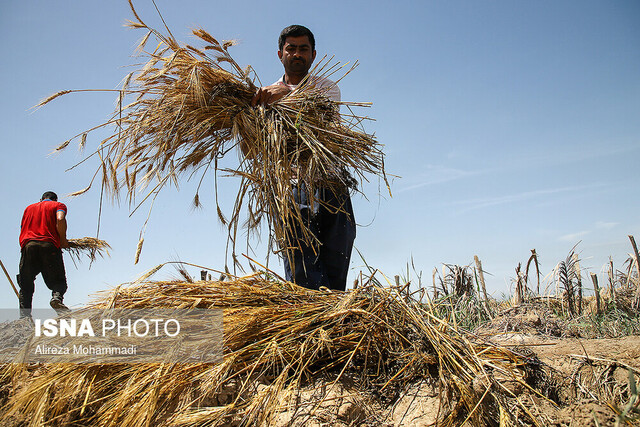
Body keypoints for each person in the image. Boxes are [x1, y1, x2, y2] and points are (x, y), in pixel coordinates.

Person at [252, 25, 356, 291]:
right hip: (292, 187)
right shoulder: (264, 96)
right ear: (280, 54)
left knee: (336, 262)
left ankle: (333, 324)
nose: (297, 54)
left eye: (303, 49)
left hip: (331, 184)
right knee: (301, 268)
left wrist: (284, 97)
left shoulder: (328, 88)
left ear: (313, 55)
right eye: (291, 48)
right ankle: (308, 323)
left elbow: (319, 118)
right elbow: (256, 146)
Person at [17, 191, 70, 317]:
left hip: (29, 247)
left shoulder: (28, 208)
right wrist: (62, 240)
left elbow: (22, 227)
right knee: (59, 282)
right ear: (55, 199)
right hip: (49, 246)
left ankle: (24, 318)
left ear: (41, 199)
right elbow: (60, 218)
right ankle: (56, 299)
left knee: (26, 284)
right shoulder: (58, 205)